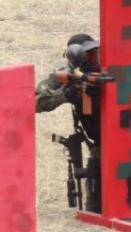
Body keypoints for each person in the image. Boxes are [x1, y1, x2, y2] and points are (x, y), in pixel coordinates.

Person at [36, 33, 106, 212]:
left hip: (130, 140)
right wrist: (66, 94)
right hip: (100, 145)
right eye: (90, 56)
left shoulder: (108, 71)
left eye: (96, 54)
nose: (94, 60)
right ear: (77, 59)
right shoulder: (65, 76)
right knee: (97, 207)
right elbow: (36, 102)